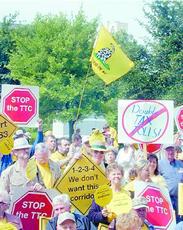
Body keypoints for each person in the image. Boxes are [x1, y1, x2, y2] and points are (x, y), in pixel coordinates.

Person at [87, 163, 131, 228]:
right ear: (108, 177)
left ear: (122, 176)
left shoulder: (128, 193)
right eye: (113, 174)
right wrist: (101, 214)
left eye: (118, 174)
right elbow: (91, 215)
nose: (116, 176)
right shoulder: (102, 194)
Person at [159, 145, 183, 222]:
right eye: (168, 150)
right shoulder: (159, 164)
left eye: (172, 150)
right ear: (164, 152)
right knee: (169, 222)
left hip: (179, 199)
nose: (170, 152)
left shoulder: (180, 164)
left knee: (180, 221)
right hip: (167, 198)